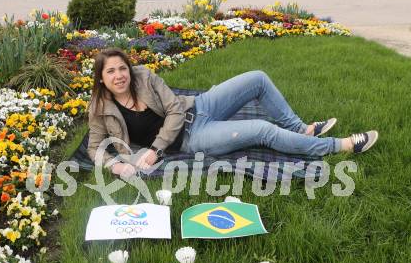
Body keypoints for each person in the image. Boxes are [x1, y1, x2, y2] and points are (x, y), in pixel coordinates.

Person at [87, 48, 378, 177]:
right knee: (263, 129)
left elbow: (175, 108)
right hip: (194, 137)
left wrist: (155, 148)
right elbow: (94, 148)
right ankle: (342, 145)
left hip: (198, 107)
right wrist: (116, 166)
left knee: (257, 78)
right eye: (110, 71)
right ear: (102, 79)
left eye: (122, 68)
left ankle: (301, 129)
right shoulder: (100, 109)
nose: (119, 75)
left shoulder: (143, 77)